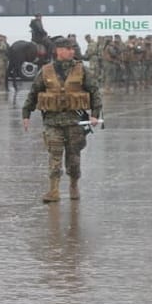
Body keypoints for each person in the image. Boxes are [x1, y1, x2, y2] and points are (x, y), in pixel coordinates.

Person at [21, 36, 102, 203]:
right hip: (52, 122)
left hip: (75, 121)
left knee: (73, 158)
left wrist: (95, 114)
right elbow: (34, 93)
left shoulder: (82, 70)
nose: (72, 51)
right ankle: (54, 190)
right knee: (55, 155)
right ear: (58, 50)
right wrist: (26, 114)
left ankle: (73, 185)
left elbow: (94, 91)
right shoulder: (46, 71)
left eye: (73, 48)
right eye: (68, 48)